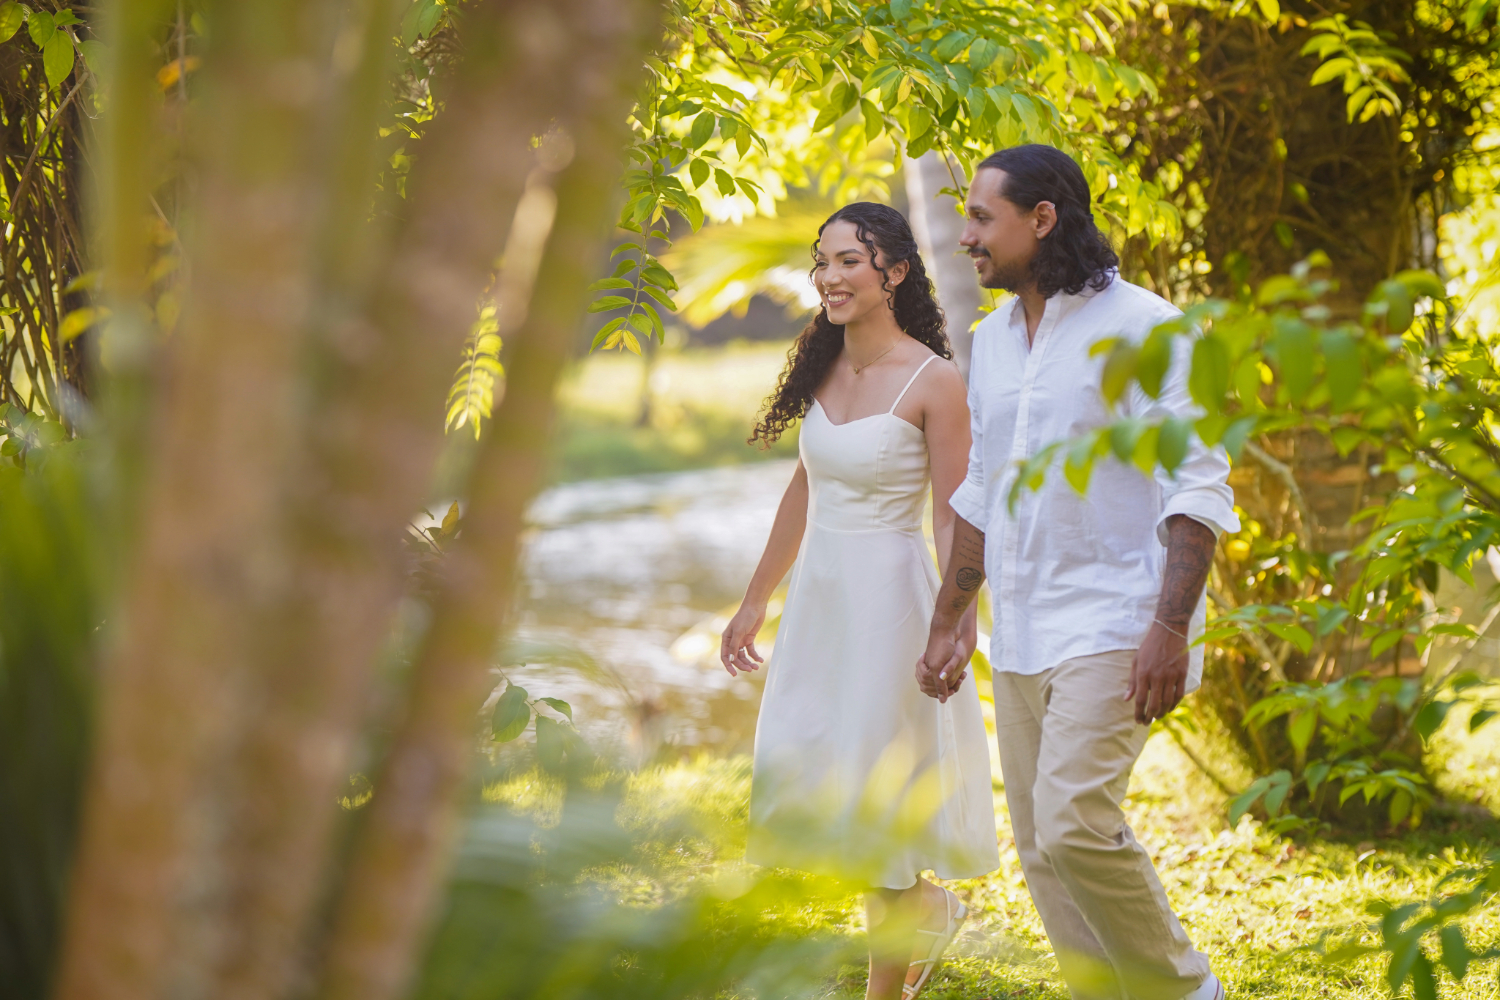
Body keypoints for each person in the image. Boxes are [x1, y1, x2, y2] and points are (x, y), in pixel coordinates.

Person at [917, 144, 1237, 1000]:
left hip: (1116, 619)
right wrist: (953, 617)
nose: (966, 238)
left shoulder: (1146, 326)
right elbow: (983, 486)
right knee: (1042, 851)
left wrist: (1168, 627)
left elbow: (1197, 483)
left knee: (1074, 824)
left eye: (982, 218)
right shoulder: (988, 339)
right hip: (1021, 624)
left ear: (1042, 219)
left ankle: (1184, 990)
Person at [720, 202, 999, 1000]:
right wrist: (753, 603)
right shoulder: (822, 365)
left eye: (849, 261)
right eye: (823, 261)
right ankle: (932, 908)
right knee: (835, 784)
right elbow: (805, 491)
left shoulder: (934, 380)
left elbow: (953, 515)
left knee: (880, 806)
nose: (829, 276)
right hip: (821, 605)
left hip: (892, 606)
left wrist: (958, 621)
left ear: (896, 274)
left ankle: (884, 989)